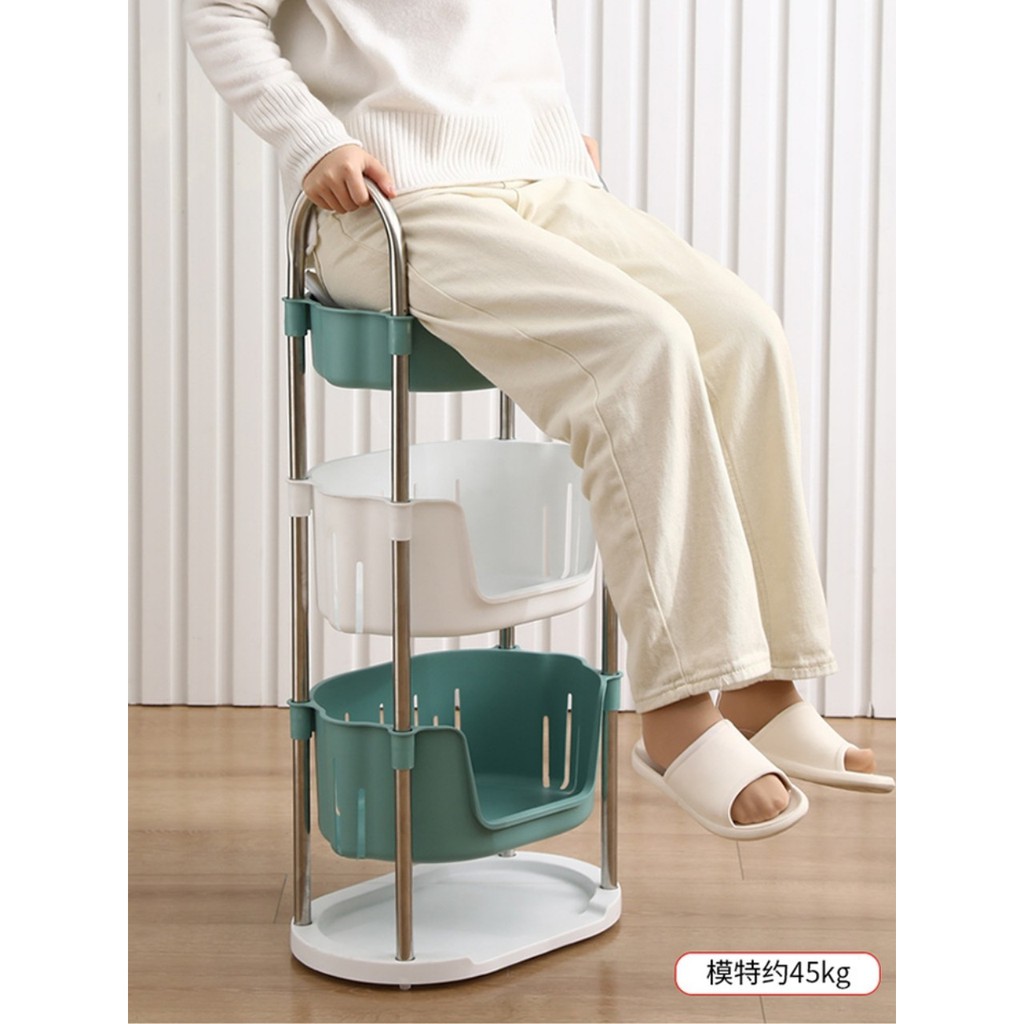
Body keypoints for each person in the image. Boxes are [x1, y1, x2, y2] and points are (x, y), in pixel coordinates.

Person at [183, 0, 893, 841]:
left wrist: (543, 132)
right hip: (391, 198)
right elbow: (220, 12)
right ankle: (676, 710)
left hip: (542, 178)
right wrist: (312, 139)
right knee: (640, 346)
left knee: (744, 337)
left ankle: (760, 684)